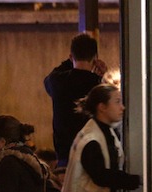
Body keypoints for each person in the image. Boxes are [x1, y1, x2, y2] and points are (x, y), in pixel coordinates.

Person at [61, 83, 142, 192]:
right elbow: (100, 175)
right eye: (117, 102)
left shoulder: (103, 130)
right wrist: (135, 180)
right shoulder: (92, 138)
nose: (122, 107)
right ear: (102, 107)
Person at [44, 33, 107, 166]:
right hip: (92, 154)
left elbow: (48, 78)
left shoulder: (57, 81)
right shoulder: (97, 86)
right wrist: (104, 75)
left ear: (71, 56)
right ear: (95, 58)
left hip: (65, 156)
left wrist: (69, 61)